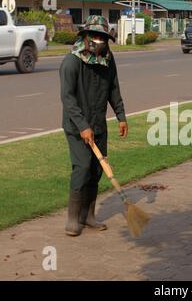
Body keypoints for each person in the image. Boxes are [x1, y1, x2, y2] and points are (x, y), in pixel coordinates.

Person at [60, 15, 128, 237]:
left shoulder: (108, 59)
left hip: (98, 124)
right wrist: (82, 125)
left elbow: (113, 88)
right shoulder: (71, 62)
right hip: (76, 126)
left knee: (97, 170)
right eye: (95, 36)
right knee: (82, 167)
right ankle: (73, 218)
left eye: (103, 37)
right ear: (85, 36)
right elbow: (68, 98)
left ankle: (88, 216)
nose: (98, 40)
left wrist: (121, 115)